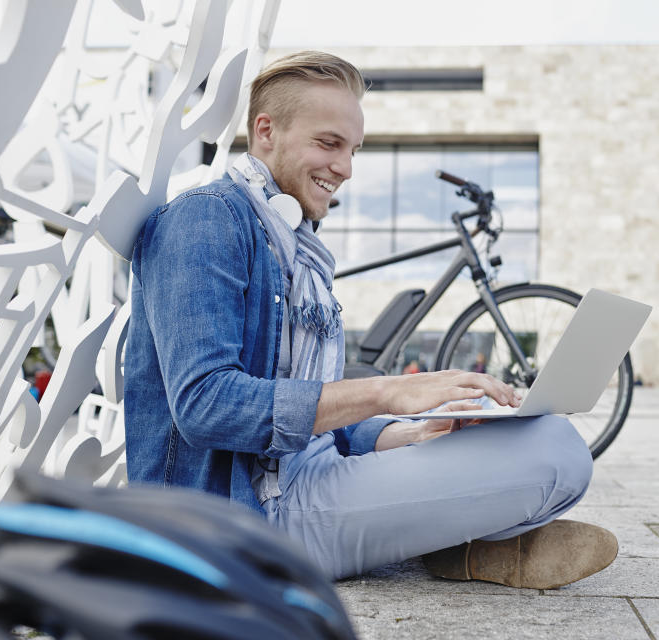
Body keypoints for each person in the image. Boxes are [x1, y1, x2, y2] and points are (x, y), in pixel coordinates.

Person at [124, 51, 617, 589]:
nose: (345, 168)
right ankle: (468, 546)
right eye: (328, 143)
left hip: (308, 478)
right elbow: (206, 406)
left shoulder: (296, 247)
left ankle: (459, 549)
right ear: (265, 132)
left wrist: (407, 434)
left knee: (528, 430)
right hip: (248, 519)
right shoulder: (204, 221)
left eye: (353, 150)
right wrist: (386, 394)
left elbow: (318, 412)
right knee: (556, 453)